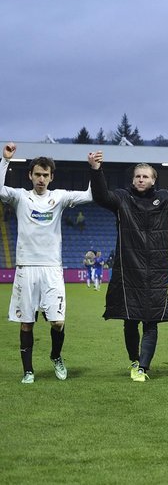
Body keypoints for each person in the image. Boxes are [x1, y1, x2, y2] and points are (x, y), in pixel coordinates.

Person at [88, 150, 168, 381]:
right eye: (138, 176)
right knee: (130, 321)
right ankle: (134, 360)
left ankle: (143, 367)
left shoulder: (166, 199)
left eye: (146, 176)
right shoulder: (122, 199)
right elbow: (101, 196)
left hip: (155, 273)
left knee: (151, 321)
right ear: (132, 180)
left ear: (154, 180)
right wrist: (96, 170)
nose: (141, 180)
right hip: (129, 272)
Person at [2, 144, 93, 384]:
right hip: (26, 268)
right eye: (37, 174)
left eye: (45, 175)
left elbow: (90, 195)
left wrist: (95, 169)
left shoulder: (59, 197)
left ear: (51, 177)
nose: (41, 179)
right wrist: (5, 160)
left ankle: (55, 356)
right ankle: (28, 371)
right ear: (30, 175)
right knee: (26, 323)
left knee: (58, 321)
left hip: (52, 268)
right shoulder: (21, 197)